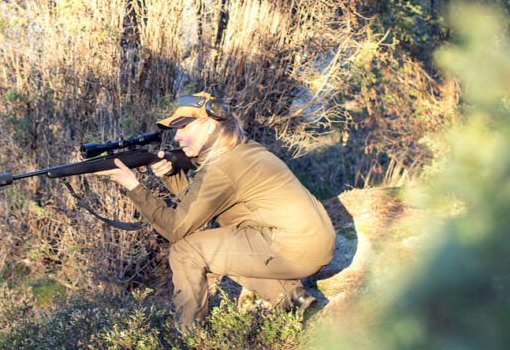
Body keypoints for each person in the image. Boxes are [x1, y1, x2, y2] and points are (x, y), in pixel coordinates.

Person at [101, 92, 336, 332]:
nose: (178, 137)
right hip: (312, 242)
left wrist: (133, 186)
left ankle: (192, 338)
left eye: (184, 127)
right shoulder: (240, 149)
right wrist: (170, 174)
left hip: (296, 250)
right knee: (221, 241)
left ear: (211, 124)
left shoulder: (221, 166)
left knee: (186, 252)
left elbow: (176, 229)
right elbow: (195, 211)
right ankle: (294, 300)